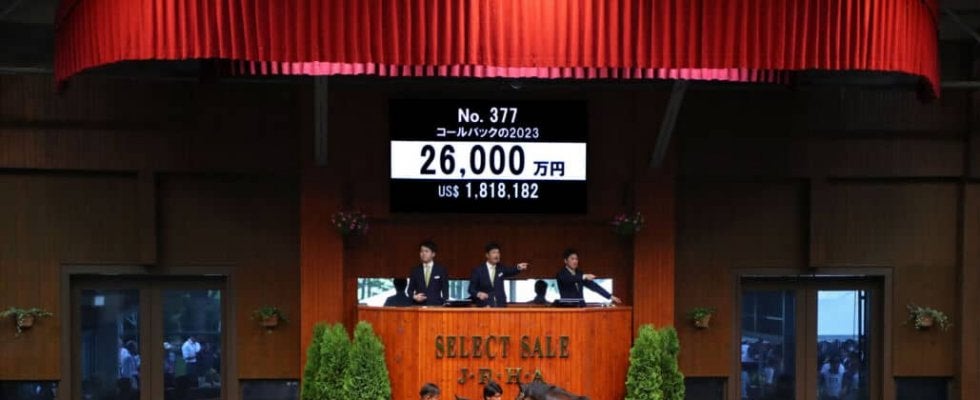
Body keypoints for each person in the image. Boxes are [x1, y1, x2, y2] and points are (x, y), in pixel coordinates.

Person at [468, 242, 528, 307]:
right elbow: (471, 289)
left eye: (498, 252)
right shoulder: (478, 271)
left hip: (501, 306)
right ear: (487, 255)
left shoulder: (501, 268)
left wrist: (518, 267)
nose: (497, 255)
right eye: (494, 252)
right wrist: (479, 294)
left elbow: (511, 270)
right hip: (485, 306)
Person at [555, 249, 622, 304]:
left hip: (581, 306)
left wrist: (610, 296)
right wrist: (584, 276)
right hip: (567, 308)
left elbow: (594, 286)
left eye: (576, 259)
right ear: (565, 261)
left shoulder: (579, 273)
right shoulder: (561, 273)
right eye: (572, 259)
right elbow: (570, 279)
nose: (575, 261)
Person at [407, 240, 450, 305]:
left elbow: (445, 290)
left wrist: (445, 304)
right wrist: (414, 297)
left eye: (426, 251)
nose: (423, 254)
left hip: (436, 305)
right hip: (419, 306)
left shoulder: (441, 270)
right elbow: (409, 290)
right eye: (421, 251)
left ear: (433, 254)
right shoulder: (415, 270)